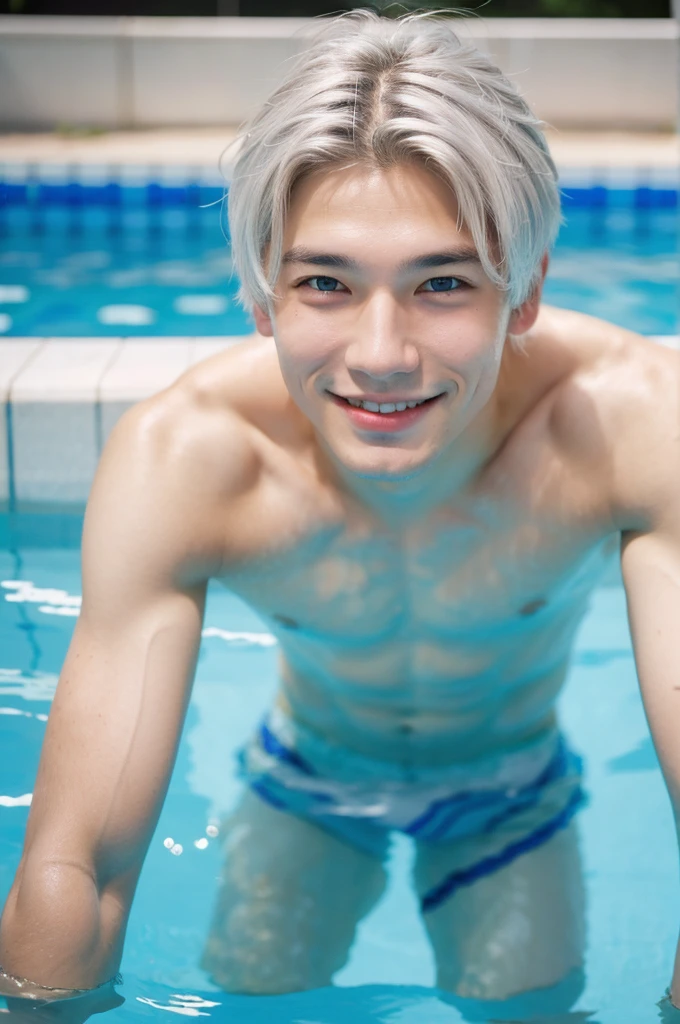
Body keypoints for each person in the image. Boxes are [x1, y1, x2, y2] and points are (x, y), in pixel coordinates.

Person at [1, 10, 679, 1017]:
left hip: (509, 795)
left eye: (440, 283)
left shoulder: (631, 426)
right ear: (261, 296)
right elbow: (80, 862)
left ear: (524, 292)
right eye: (324, 282)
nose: (380, 354)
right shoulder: (192, 458)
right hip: (306, 784)